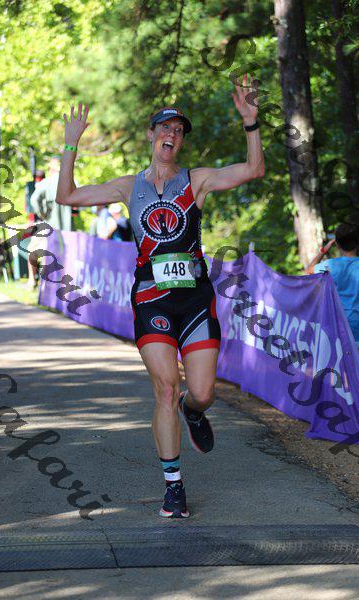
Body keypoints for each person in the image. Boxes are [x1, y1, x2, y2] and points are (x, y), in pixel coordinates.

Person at [56, 75, 264, 518]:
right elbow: (66, 196)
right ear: (151, 135)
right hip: (151, 299)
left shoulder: (196, 181)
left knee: (201, 392)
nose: (172, 134)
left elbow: (253, 170)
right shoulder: (128, 187)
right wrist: (70, 144)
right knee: (166, 388)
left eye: (179, 130)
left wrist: (251, 123)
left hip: (195, 301)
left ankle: (194, 410)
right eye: (165, 127)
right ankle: (173, 485)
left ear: (181, 141)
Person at [307, 224, 359, 360]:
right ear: (357, 242)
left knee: (335, 362)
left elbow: (310, 269)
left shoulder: (331, 265)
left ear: (337, 244)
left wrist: (323, 250)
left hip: (334, 319)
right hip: (358, 322)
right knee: (355, 363)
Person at [22, 157, 72, 289]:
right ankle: (54, 285)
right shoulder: (70, 182)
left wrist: (43, 214)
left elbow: (34, 200)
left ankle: (36, 282)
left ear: (51, 169)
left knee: (34, 251)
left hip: (48, 226)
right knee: (61, 256)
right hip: (66, 229)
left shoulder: (46, 182)